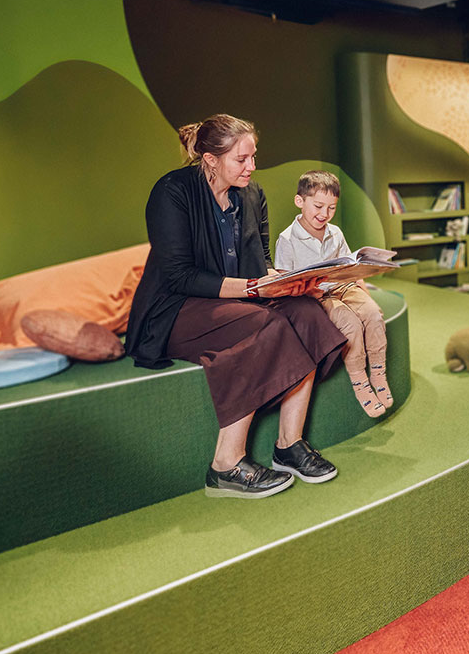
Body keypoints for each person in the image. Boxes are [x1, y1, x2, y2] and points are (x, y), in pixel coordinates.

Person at [126, 115, 347, 500]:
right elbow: (178, 277)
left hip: (240, 298)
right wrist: (251, 289)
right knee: (264, 324)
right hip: (176, 309)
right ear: (211, 159)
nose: (252, 167)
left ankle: (289, 445)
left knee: (308, 314)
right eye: (242, 159)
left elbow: (259, 261)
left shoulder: (251, 194)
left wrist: (290, 281)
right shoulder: (172, 191)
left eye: (253, 156)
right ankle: (225, 464)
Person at [274, 170, 393, 419]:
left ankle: (379, 373)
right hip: (315, 296)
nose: (324, 214)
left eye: (331, 208)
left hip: (344, 286)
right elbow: (284, 281)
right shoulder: (286, 239)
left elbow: (350, 266)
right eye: (318, 206)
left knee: (372, 314)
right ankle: (360, 382)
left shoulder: (335, 232)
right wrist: (307, 289)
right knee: (349, 324)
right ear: (300, 201)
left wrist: (364, 290)